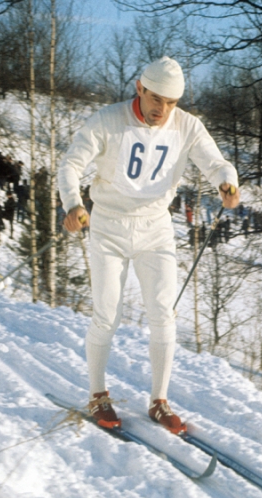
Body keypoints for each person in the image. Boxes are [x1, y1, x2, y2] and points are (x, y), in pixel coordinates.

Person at [58, 56, 240, 433]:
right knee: (107, 315)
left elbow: (215, 162)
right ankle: (97, 395)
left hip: (155, 227)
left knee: (163, 314)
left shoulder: (187, 126)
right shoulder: (108, 120)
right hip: (108, 225)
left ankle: (159, 400)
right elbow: (71, 165)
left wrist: (227, 180)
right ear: (139, 88)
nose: (162, 109)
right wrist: (73, 204)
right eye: (156, 98)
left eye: (171, 102)